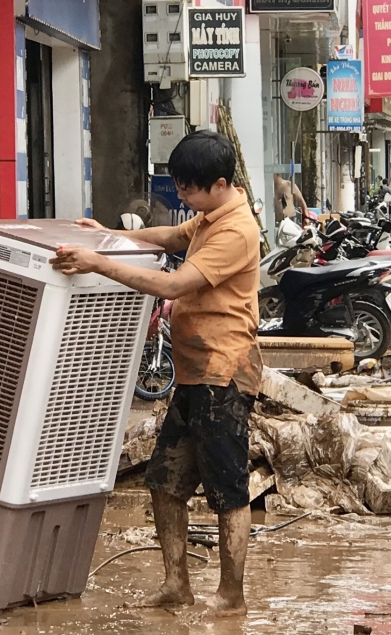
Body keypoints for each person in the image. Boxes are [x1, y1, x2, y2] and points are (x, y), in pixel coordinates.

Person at [51, 131, 260, 617]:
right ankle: (176, 585)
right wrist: (108, 234)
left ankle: (232, 596)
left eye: (188, 190)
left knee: (228, 490)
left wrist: (97, 261)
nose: (182, 198)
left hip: (222, 373)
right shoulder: (212, 216)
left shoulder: (236, 231)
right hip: (193, 372)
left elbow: (174, 282)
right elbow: (169, 237)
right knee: (164, 483)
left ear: (220, 183)